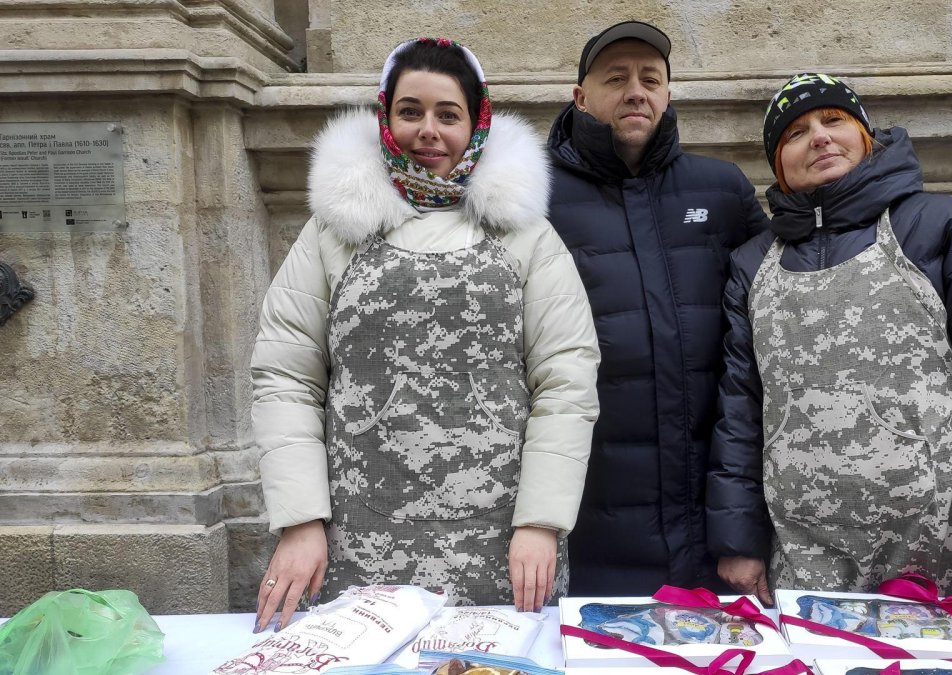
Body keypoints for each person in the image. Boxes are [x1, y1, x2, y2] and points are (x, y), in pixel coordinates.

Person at [249, 37, 600, 632]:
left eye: (448, 114)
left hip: (503, 546)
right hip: (352, 541)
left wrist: (540, 521)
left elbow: (565, 380)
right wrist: (301, 520)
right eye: (410, 111)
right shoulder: (333, 233)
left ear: (477, 123)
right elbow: (286, 376)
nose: (428, 131)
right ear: (385, 118)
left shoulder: (527, 237)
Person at [706, 73, 952, 623]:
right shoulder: (754, 264)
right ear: (779, 164)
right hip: (807, 568)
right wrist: (739, 542)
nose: (820, 137)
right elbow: (740, 410)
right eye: (796, 132)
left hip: (942, 559)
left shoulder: (940, 230)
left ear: (865, 136)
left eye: (834, 120)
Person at [546, 21, 769, 595]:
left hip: (710, 512)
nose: (636, 91)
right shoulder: (534, 196)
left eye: (651, 78)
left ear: (669, 93)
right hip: (591, 510)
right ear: (581, 97)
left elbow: (769, 323)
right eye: (615, 78)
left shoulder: (722, 189)